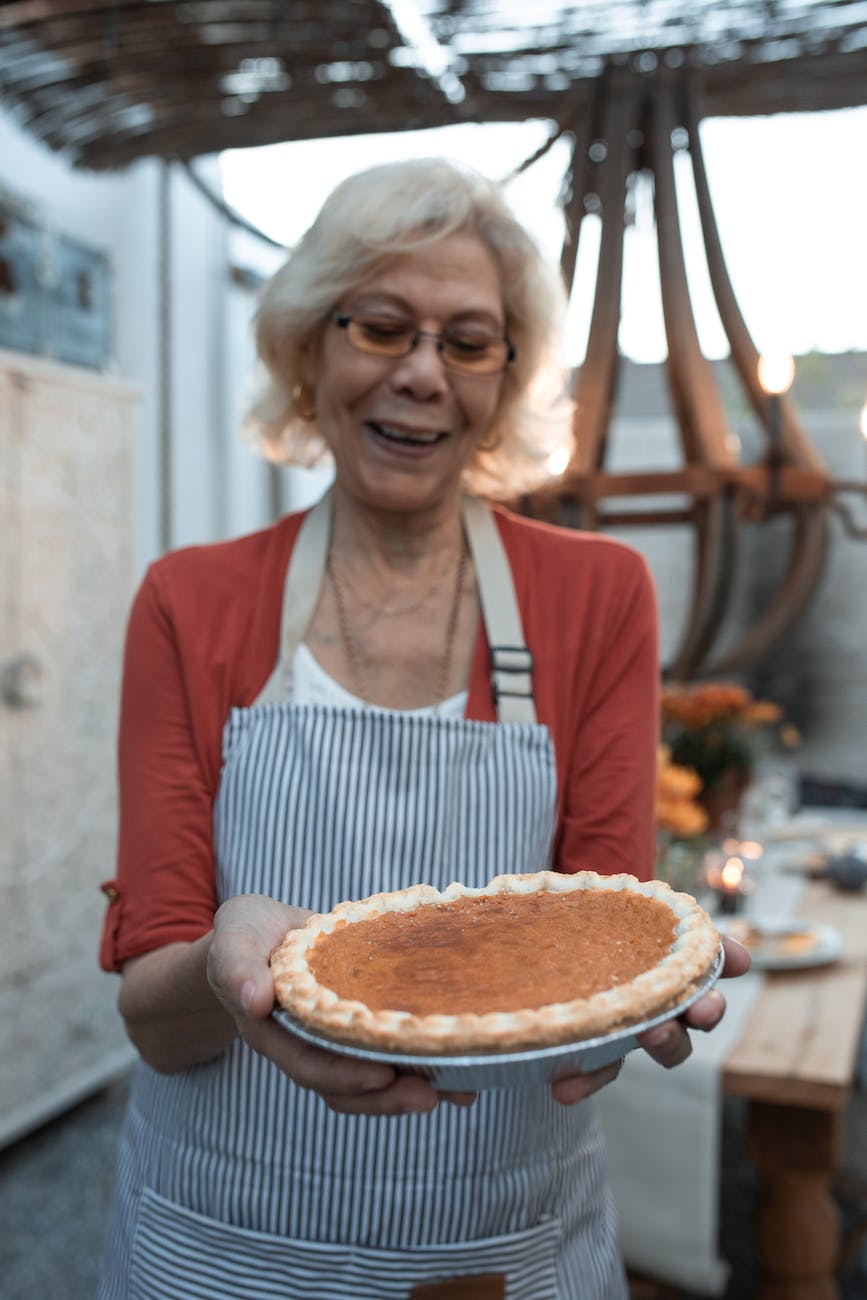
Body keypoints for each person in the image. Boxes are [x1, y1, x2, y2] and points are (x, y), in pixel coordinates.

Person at [97, 157, 748, 1299]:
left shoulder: (595, 598)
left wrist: (635, 1002)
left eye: (468, 342)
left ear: (507, 376)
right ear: (311, 350)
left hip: (493, 1245)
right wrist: (224, 958)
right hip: (219, 1246)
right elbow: (157, 1019)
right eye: (382, 327)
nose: (420, 376)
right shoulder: (189, 604)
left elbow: (610, 927)